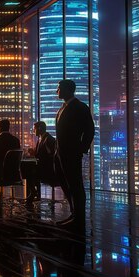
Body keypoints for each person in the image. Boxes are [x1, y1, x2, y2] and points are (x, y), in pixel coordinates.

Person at [54, 79, 95, 226]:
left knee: (76, 186)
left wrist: (81, 149)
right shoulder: (63, 108)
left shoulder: (80, 107)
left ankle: (78, 218)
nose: (56, 91)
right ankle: (74, 214)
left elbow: (90, 130)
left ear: (67, 90)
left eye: (58, 88)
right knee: (67, 184)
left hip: (71, 153)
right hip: (60, 154)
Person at [26, 121, 56, 200]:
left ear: (39, 128)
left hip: (47, 170)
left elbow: (51, 156)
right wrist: (34, 153)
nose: (33, 131)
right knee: (29, 170)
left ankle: (32, 192)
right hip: (44, 168)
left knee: (28, 171)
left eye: (34, 129)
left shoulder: (48, 140)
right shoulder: (42, 139)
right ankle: (33, 193)